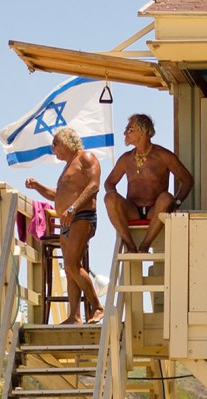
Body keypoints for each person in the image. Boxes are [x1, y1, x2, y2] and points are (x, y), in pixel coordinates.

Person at [24, 126, 104, 323]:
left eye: (55, 144)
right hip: (67, 220)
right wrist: (37, 186)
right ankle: (74, 316)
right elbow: (57, 196)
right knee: (70, 270)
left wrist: (73, 208)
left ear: (67, 142)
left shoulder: (86, 157)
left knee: (71, 264)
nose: (53, 149)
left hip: (82, 216)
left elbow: (94, 186)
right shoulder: (67, 167)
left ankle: (98, 307)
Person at [104, 114, 194, 252]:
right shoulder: (126, 159)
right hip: (132, 210)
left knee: (166, 197)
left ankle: (145, 245)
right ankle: (130, 244)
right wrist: (117, 205)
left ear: (143, 131)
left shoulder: (163, 156)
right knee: (109, 197)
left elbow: (187, 179)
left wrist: (176, 203)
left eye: (130, 129)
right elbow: (109, 183)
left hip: (155, 211)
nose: (125, 133)